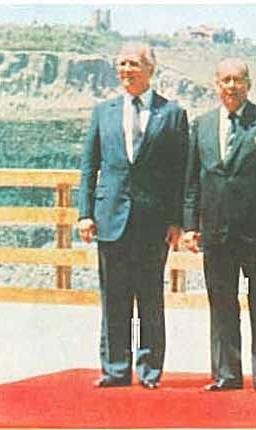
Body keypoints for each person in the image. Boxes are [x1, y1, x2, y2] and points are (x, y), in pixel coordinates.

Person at [77, 43, 188, 389]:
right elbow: (89, 166)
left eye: (134, 64)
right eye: (122, 64)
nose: (127, 70)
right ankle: (115, 369)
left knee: (150, 298)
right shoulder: (103, 112)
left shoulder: (172, 113)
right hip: (110, 218)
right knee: (114, 298)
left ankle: (150, 371)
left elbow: (181, 172)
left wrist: (177, 220)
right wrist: (85, 214)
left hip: (153, 222)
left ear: (150, 69)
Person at [183, 57, 256, 395]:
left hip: (255, 230)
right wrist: (190, 225)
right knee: (221, 302)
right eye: (225, 80)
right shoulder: (202, 124)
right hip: (215, 230)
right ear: (216, 84)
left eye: (238, 80)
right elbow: (192, 180)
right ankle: (226, 374)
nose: (231, 86)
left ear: (248, 84)